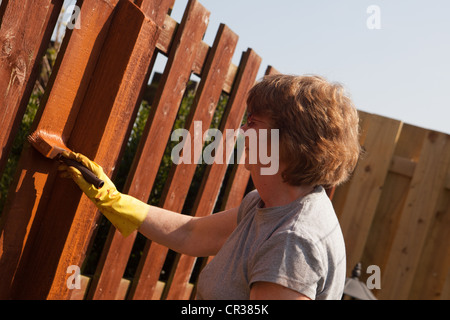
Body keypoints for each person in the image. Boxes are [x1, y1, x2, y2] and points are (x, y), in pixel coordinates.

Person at [59, 74, 361, 300]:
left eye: (253, 123)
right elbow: (192, 234)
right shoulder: (265, 204)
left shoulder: (292, 242)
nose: (242, 131)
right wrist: (115, 201)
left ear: (287, 144)